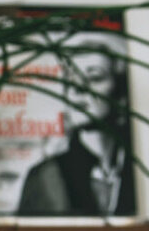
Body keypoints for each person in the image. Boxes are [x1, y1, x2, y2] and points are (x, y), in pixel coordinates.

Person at [18, 32, 135, 216]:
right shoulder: (45, 178)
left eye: (95, 77)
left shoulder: (137, 170)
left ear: (121, 95)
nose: (78, 88)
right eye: (70, 78)